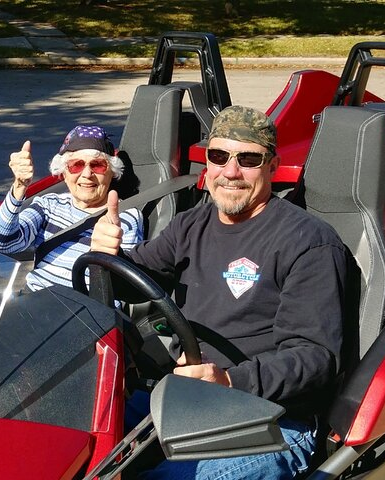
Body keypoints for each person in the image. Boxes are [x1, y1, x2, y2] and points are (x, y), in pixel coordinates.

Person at [91, 106, 347, 479]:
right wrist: (106, 254)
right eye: (219, 156)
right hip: (188, 396)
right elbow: (134, 277)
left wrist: (229, 380)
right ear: (207, 164)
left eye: (248, 159)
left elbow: (316, 357)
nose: (231, 171)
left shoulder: (309, 243)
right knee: (77, 436)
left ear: (273, 167)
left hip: (271, 419)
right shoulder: (192, 223)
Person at [0, 125, 144, 291]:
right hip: (34, 300)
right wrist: (19, 186)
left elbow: (125, 285)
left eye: (98, 165)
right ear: (63, 172)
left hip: (90, 309)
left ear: (112, 172)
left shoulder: (126, 217)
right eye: (76, 165)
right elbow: (3, 243)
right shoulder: (48, 205)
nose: (86, 174)